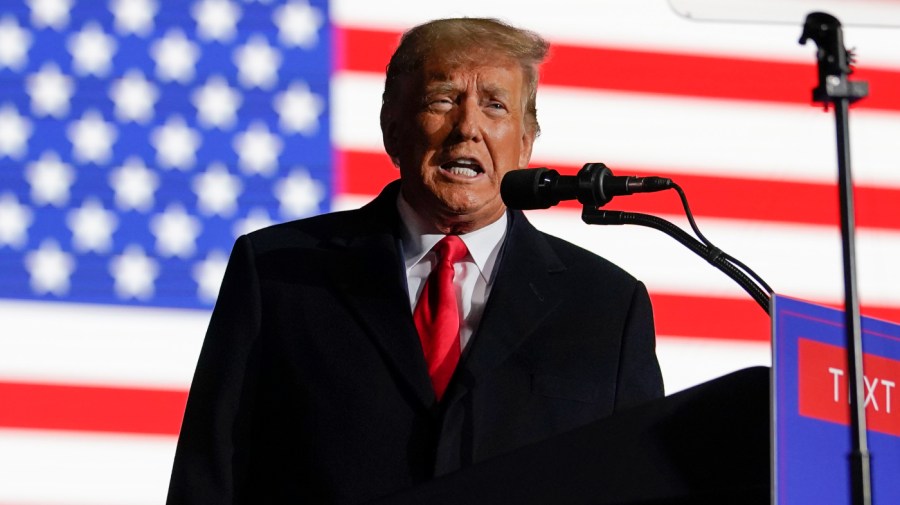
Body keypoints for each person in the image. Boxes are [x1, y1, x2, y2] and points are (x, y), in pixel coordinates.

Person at [166, 17, 663, 505]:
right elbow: (209, 476)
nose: (467, 127)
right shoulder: (277, 272)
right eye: (442, 100)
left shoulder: (606, 307)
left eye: (495, 106)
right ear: (393, 128)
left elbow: (638, 483)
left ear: (527, 141)